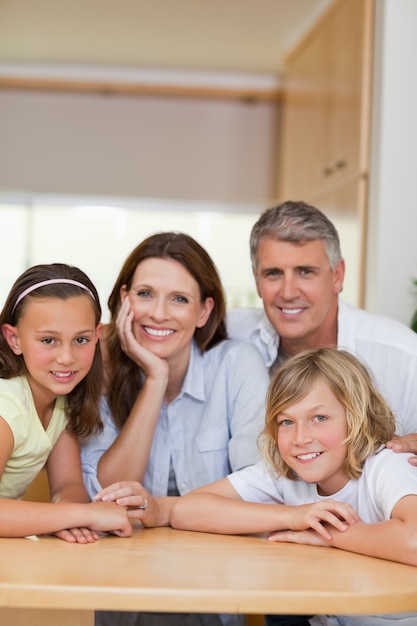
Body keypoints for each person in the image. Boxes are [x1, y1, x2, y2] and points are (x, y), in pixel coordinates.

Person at [105, 348, 417, 626]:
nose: (300, 438)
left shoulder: (386, 465)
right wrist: (292, 516)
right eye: (286, 422)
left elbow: (414, 541)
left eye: (319, 417)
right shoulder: (286, 472)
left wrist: (327, 533)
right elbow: (187, 510)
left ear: (356, 417)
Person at [80, 232, 270, 626]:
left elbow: (259, 489)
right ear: (123, 300)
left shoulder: (237, 366)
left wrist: (164, 511)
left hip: (212, 588)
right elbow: (109, 494)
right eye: (146, 294)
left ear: (204, 312)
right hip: (121, 586)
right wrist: (155, 378)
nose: (159, 313)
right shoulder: (99, 370)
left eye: (179, 299)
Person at [226, 200, 417, 462]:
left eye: (305, 272)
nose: (289, 292)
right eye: (273, 274)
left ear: (337, 276)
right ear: (257, 282)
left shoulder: (403, 357)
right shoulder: (230, 334)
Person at [0, 263, 131, 541]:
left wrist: (69, 513)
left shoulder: (61, 399)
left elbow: (68, 483)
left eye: (81, 339)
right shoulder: (6, 405)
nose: (67, 357)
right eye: (49, 340)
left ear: (97, 336)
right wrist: (81, 515)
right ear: (14, 339)